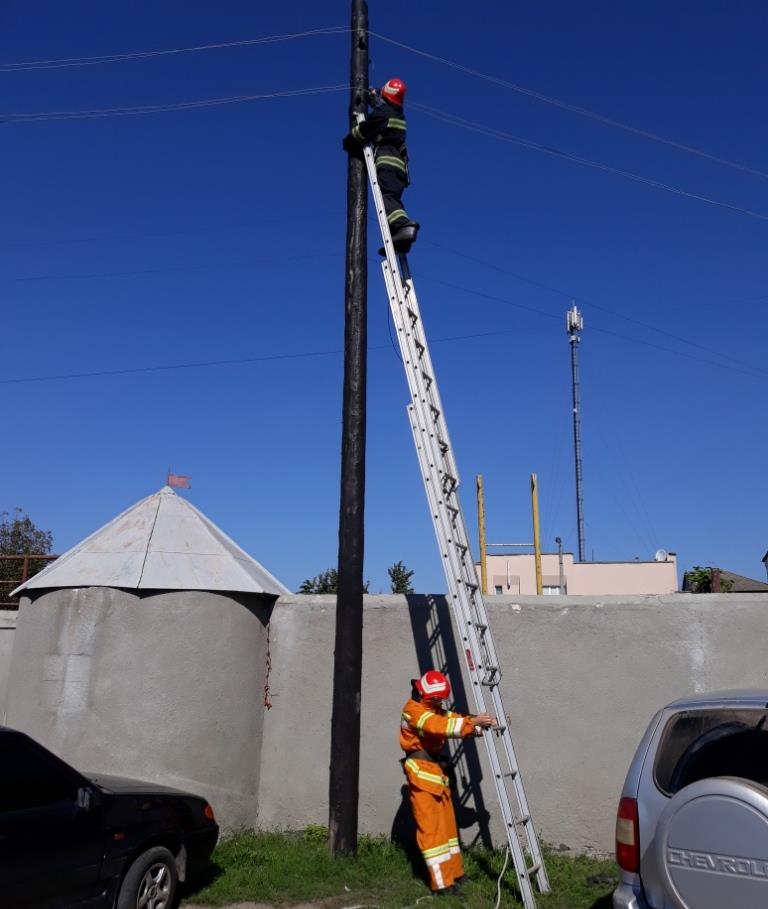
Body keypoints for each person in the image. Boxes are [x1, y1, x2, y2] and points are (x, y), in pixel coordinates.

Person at [400, 669, 498, 895]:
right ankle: (442, 885)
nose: (440, 703)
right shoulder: (414, 711)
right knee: (433, 833)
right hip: (422, 775)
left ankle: (456, 874)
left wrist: (482, 724)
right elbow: (439, 726)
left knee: (448, 830)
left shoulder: (429, 707)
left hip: (435, 775)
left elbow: (452, 718)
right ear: (427, 695)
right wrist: (472, 722)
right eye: (438, 699)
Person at [342, 77, 419, 253]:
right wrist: (375, 98)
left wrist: (348, 140)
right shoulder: (397, 114)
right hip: (400, 168)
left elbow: (363, 131)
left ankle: (403, 225)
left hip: (387, 163)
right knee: (393, 199)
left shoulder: (383, 114)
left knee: (387, 198)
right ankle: (400, 240)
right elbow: (383, 111)